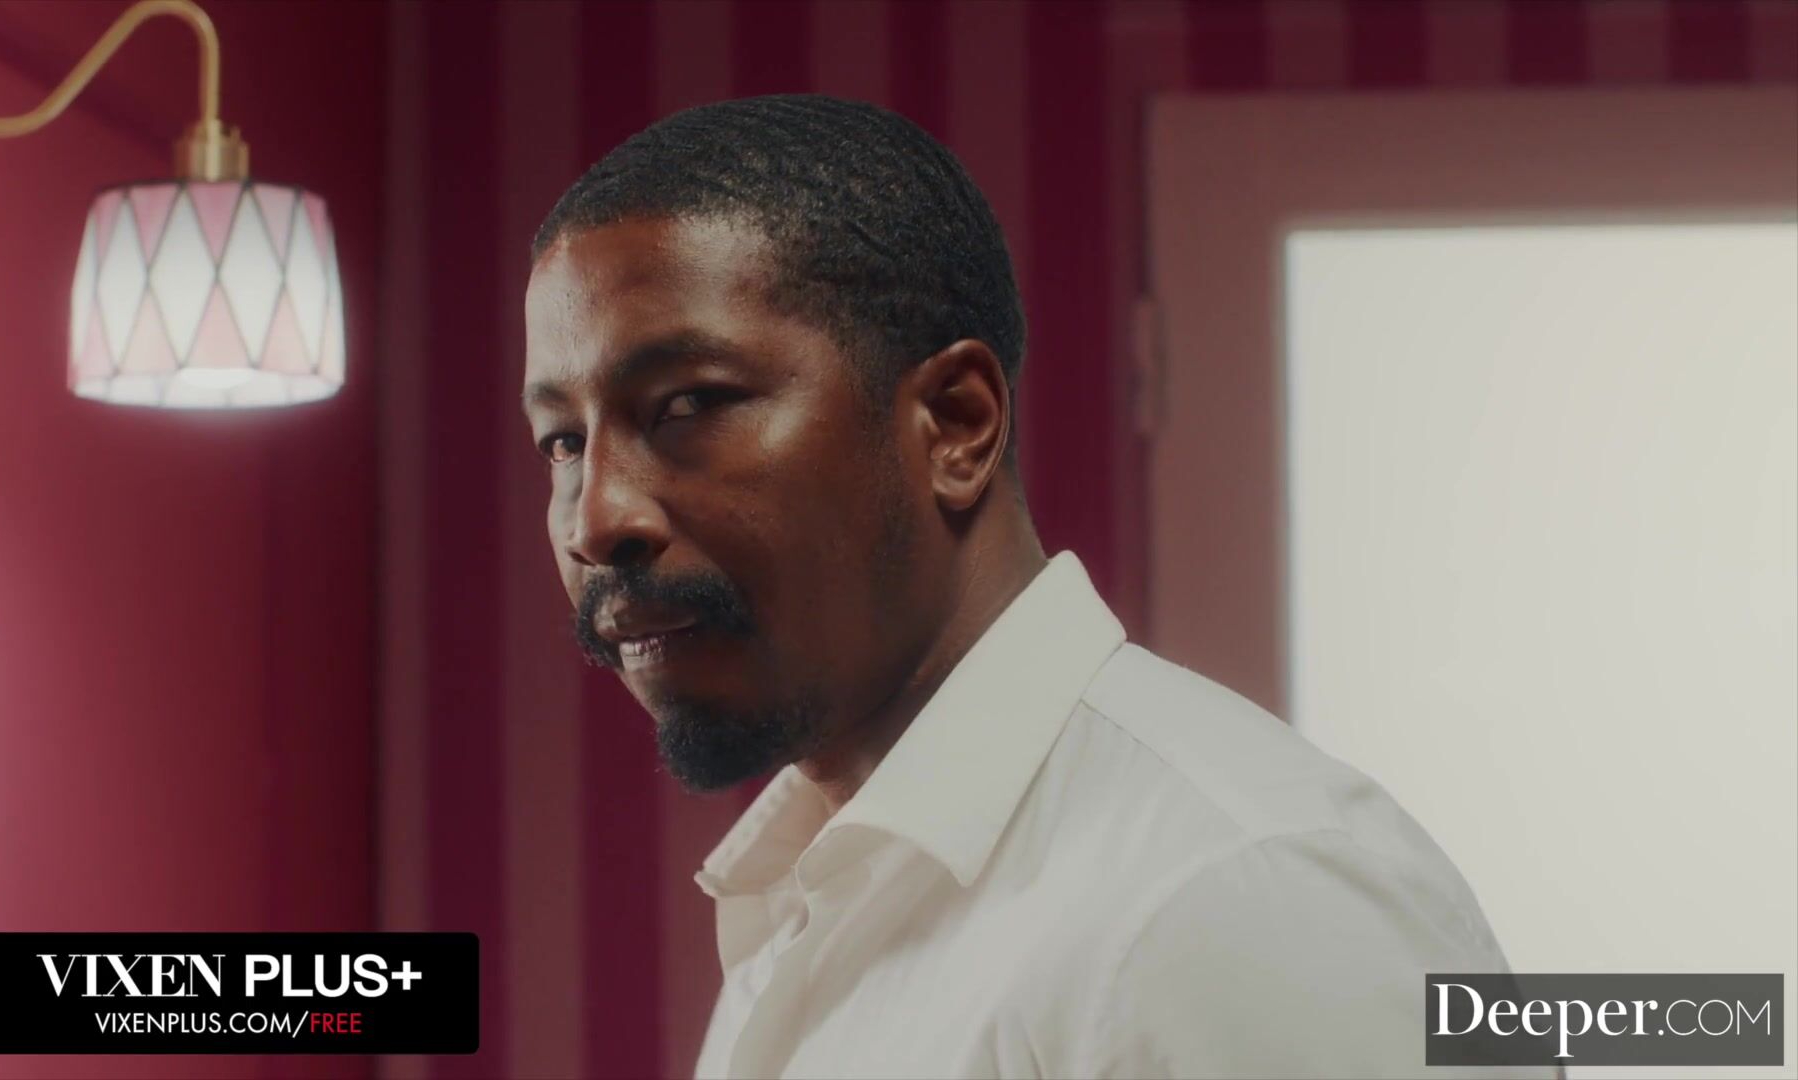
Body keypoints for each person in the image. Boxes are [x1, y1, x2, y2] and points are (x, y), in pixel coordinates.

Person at [521, 94, 1542, 1079]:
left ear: (955, 425)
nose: (594, 520)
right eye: (563, 440)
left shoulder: (1235, 894)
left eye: (687, 406)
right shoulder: (810, 895)